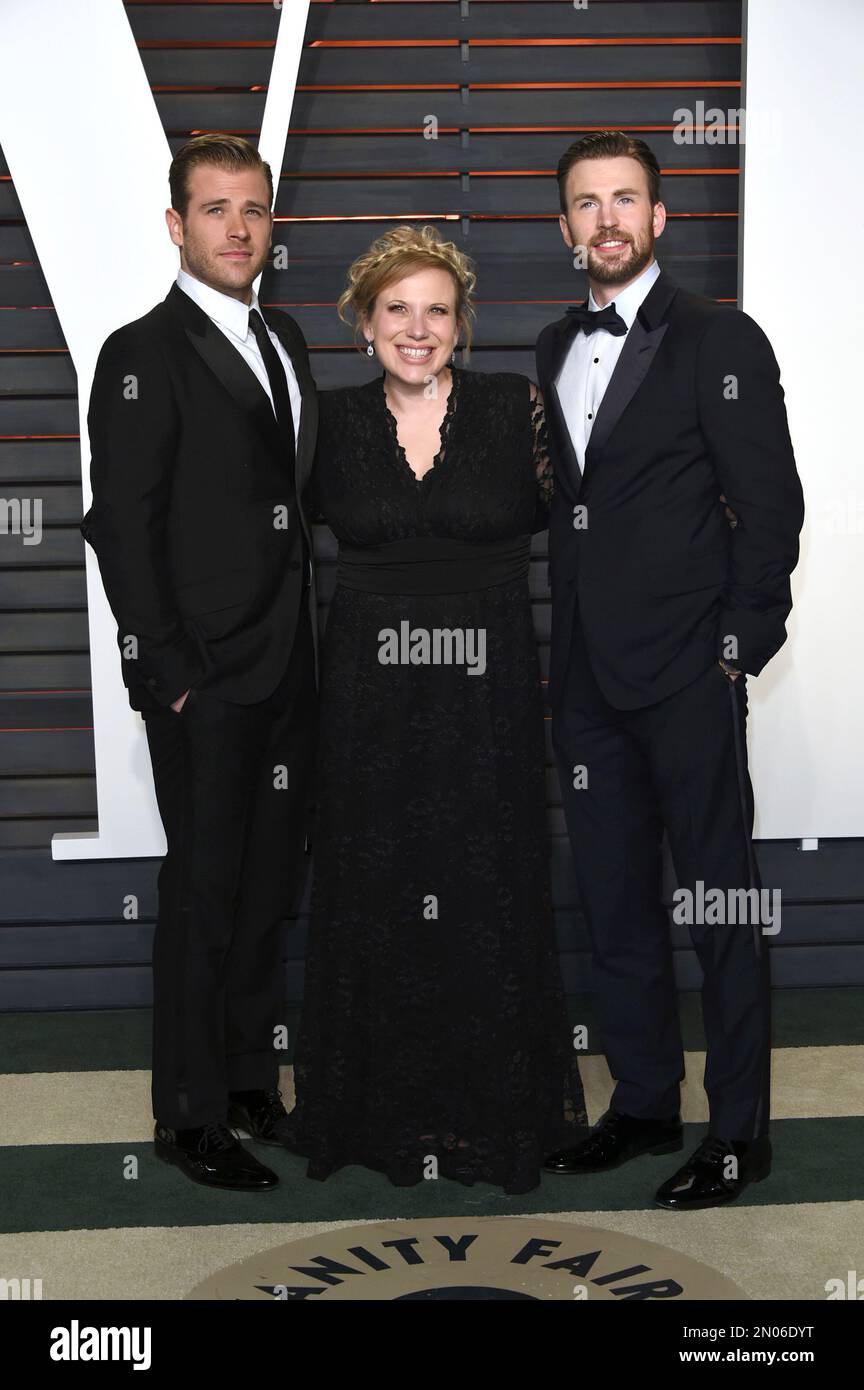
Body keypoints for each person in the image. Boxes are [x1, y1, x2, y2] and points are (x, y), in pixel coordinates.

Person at [282, 225, 587, 1194]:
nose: (418, 329)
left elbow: (591, 536)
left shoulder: (516, 407)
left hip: (487, 698)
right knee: (379, 895)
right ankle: (379, 1114)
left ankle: (488, 1114)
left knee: (484, 887)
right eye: (397, 309)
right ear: (364, 322)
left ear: (462, 322)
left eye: (437, 310)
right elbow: (265, 554)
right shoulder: (325, 423)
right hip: (369, 704)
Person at [537, 132, 804, 1209]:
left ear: (660, 219)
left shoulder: (721, 339)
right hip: (587, 685)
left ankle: (740, 1133)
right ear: (565, 229)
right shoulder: (551, 342)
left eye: (625, 200)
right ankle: (644, 1100)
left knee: (720, 905)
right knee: (615, 904)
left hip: (691, 675)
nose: (606, 218)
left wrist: (737, 645)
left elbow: (771, 508)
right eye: (586, 203)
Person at [81, 134, 318, 1192]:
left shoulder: (291, 339)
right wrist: (169, 673)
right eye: (215, 209)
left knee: (267, 891)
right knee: (206, 893)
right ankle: (187, 1116)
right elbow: (120, 529)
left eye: (254, 209)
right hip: (206, 682)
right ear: (177, 226)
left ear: (272, 224)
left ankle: (245, 1077)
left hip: (295, 672)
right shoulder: (141, 353)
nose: (237, 227)